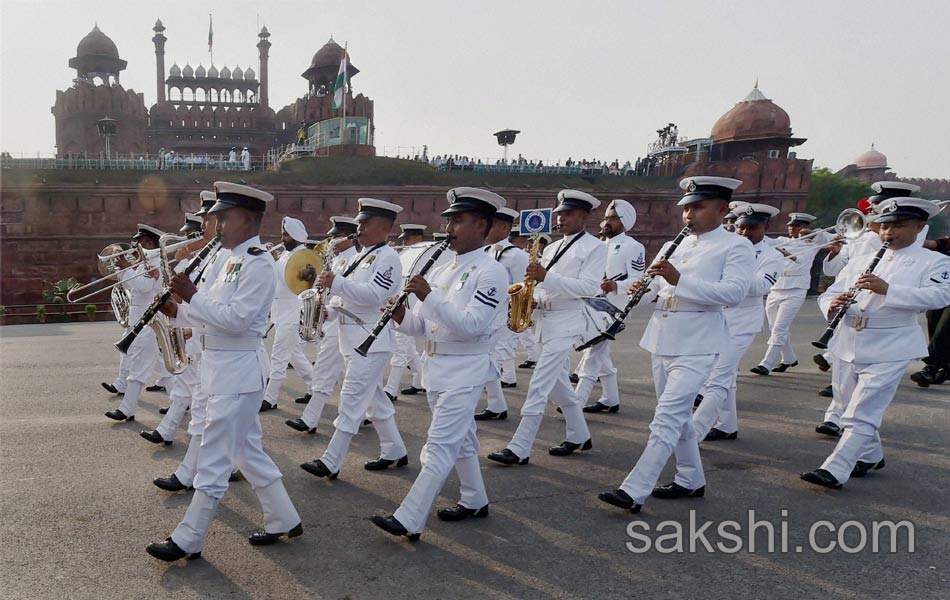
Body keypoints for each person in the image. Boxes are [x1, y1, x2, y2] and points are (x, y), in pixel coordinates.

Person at [146, 182, 302, 561]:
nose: (215, 227)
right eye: (215, 219)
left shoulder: (259, 264)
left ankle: (189, 538)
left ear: (248, 219)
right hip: (221, 369)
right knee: (246, 451)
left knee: (214, 461)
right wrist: (178, 310)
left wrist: (192, 295)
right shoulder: (230, 260)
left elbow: (237, 320)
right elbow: (210, 315)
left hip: (237, 372)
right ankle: (283, 518)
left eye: (223, 218)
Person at [598, 176, 753, 514]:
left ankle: (634, 490)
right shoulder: (676, 244)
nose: (688, 215)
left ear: (722, 209)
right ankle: (690, 479)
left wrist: (678, 279)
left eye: (698, 207)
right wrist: (634, 289)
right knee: (679, 417)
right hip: (664, 336)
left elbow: (735, 293)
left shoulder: (735, 246)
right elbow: (659, 292)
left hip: (698, 341)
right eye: (686, 208)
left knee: (666, 417)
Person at [370, 187, 508, 541]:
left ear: (481, 224)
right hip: (438, 368)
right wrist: (402, 315)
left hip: (466, 369)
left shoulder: (491, 272)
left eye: (458, 221)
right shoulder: (447, 268)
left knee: (439, 445)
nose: (449, 228)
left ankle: (410, 518)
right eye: (449, 220)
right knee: (461, 441)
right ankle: (475, 499)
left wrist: (427, 296)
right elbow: (427, 327)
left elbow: (471, 326)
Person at [801, 197, 950, 490]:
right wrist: (832, 305)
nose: (887, 232)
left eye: (898, 225)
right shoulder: (859, 260)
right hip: (848, 340)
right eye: (884, 226)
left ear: (920, 227)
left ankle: (835, 468)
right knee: (845, 408)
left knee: (862, 410)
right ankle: (871, 454)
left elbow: (940, 296)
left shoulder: (935, 261)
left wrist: (889, 290)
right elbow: (829, 293)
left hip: (891, 343)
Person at [487, 190, 605, 466]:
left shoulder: (596, 247)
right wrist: (532, 300)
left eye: (569, 214)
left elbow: (589, 288)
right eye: (560, 213)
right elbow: (543, 286)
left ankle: (520, 447)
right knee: (559, 386)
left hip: (567, 321)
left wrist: (545, 276)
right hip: (544, 321)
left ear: (585, 216)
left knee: (539, 384)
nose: (562, 218)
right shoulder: (550, 248)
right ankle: (579, 435)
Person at [299, 198, 409, 479]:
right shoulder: (362, 255)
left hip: (371, 340)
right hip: (351, 339)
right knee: (375, 401)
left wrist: (335, 281)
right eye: (359, 222)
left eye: (364, 223)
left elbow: (374, 296)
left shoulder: (388, 259)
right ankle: (394, 450)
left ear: (383, 226)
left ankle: (331, 461)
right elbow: (346, 297)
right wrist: (328, 312)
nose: (358, 228)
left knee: (350, 400)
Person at [692, 203, 784, 441]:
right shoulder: (727, 247)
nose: (744, 233)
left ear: (766, 227)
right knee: (726, 375)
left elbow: (762, 286)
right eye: (741, 228)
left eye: (752, 228)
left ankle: (693, 433)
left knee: (718, 376)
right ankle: (727, 425)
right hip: (717, 315)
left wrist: (737, 276)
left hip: (743, 320)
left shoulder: (772, 256)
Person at [287, 216, 360, 433]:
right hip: (333, 322)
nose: (333, 240)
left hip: (345, 323)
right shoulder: (335, 259)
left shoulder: (356, 259)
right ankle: (311, 419)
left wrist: (331, 309)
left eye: (336, 236)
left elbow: (351, 294)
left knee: (329, 371)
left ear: (349, 236)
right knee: (338, 373)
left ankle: (311, 419)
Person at [140, 212, 205, 445]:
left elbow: (207, 302)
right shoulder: (194, 261)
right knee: (185, 388)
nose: (184, 240)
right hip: (188, 328)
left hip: (198, 333)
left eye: (189, 236)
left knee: (196, 395)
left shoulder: (204, 262)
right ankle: (166, 431)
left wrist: (193, 330)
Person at [577, 199, 645, 414]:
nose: (607, 222)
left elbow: (638, 279)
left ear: (624, 221)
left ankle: (576, 401)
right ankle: (610, 399)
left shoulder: (633, 246)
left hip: (615, 307)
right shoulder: (598, 245)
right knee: (600, 353)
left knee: (594, 353)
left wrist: (616, 285)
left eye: (613, 218)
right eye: (606, 217)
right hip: (594, 305)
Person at [751, 213, 835, 375]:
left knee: (780, 328)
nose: (791, 228)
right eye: (790, 225)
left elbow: (831, 239)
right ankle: (789, 359)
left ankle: (766, 364)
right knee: (774, 327)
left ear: (805, 227)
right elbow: (765, 240)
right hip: (776, 289)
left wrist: (816, 232)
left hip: (795, 289)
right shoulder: (783, 241)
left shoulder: (812, 243)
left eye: (796, 226)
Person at [475, 205, 529, 420]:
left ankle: (494, 404)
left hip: (505, 315)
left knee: (492, 358)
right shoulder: (485, 252)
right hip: (488, 314)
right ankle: (497, 405)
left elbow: (523, 287)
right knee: (487, 358)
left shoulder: (517, 255)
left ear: (505, 227)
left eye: (493, 224)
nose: (487, 228)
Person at [105, 224, 163, 422]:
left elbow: (144, 286)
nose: (135, 246)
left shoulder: (153, 262)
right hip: (138, 318)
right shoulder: (143, 262)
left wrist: (126, 268)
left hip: (148, 320)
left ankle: (127, 408)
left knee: (139, 364)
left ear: (148, 242)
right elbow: (130, 284)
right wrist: (122, 270)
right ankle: (182, 400)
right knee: (159, 365)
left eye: (139, 242)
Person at [261, 217, 315, 411]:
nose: (282, 238)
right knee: (294, 354)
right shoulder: (287, 254)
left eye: (286, 235)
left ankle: (270, 398)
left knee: (279, 356)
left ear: (295, 236)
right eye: (283, 234)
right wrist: (270, 258)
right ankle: (315, 387)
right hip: (281, 312)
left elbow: (301, 284)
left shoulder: (304, 257)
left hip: (293, 312)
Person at [384, 224, 428, 400]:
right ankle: (419, 380)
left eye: (408, 238)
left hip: (411, 307)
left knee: (400, 349)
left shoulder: (425, 256)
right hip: (400, 306)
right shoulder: (405, 255)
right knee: (408, 349)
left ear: (418, 238)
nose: (404, 242)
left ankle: (391, 390)